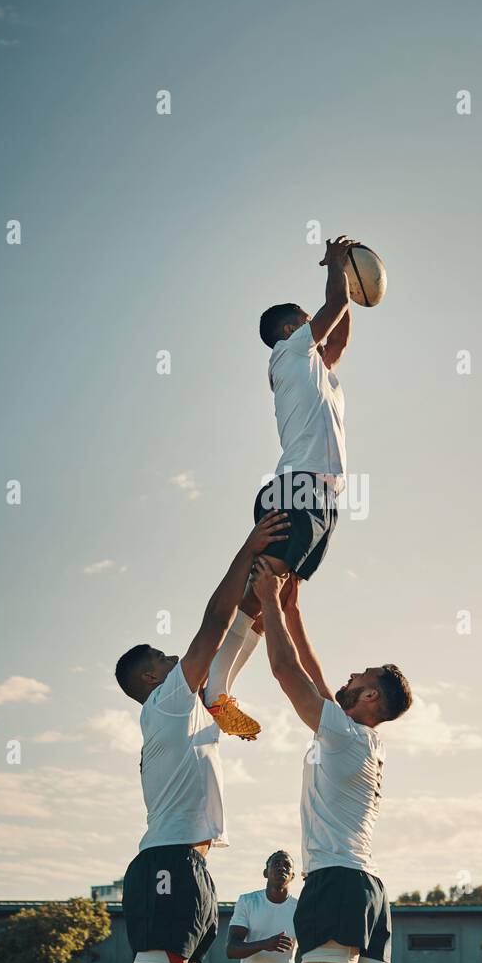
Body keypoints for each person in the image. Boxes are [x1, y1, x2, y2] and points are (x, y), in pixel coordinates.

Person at [63, 511, 289, 963]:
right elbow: (212, 628)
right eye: (165, 658)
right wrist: (248, 546)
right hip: (166, 866)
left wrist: (266, 596)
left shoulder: (188, 716)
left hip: (186, 867)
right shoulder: (165, 705)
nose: (177, 660)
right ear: (149, 679)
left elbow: (230, 649)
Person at [251, 562, 438, 963]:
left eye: (361, 674)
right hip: (369, 891)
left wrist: (265, 599)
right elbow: (311, 671)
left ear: (371, 695)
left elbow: (286, 671)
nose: (349, 674)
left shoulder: (343, 733)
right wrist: (291, 610)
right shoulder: (358, 735)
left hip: (334, 886)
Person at [204, 235, 358, 735]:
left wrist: (351, 286)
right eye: (304, 316)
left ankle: (219, 686)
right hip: (296, 489)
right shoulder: (290, 353)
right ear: (292, 328)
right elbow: (332, 308)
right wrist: (337, 266)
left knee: (277, 601)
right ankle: (215, 687)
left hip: (322, 498)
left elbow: (337, 332)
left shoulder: (316, 368)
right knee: (264, 588)